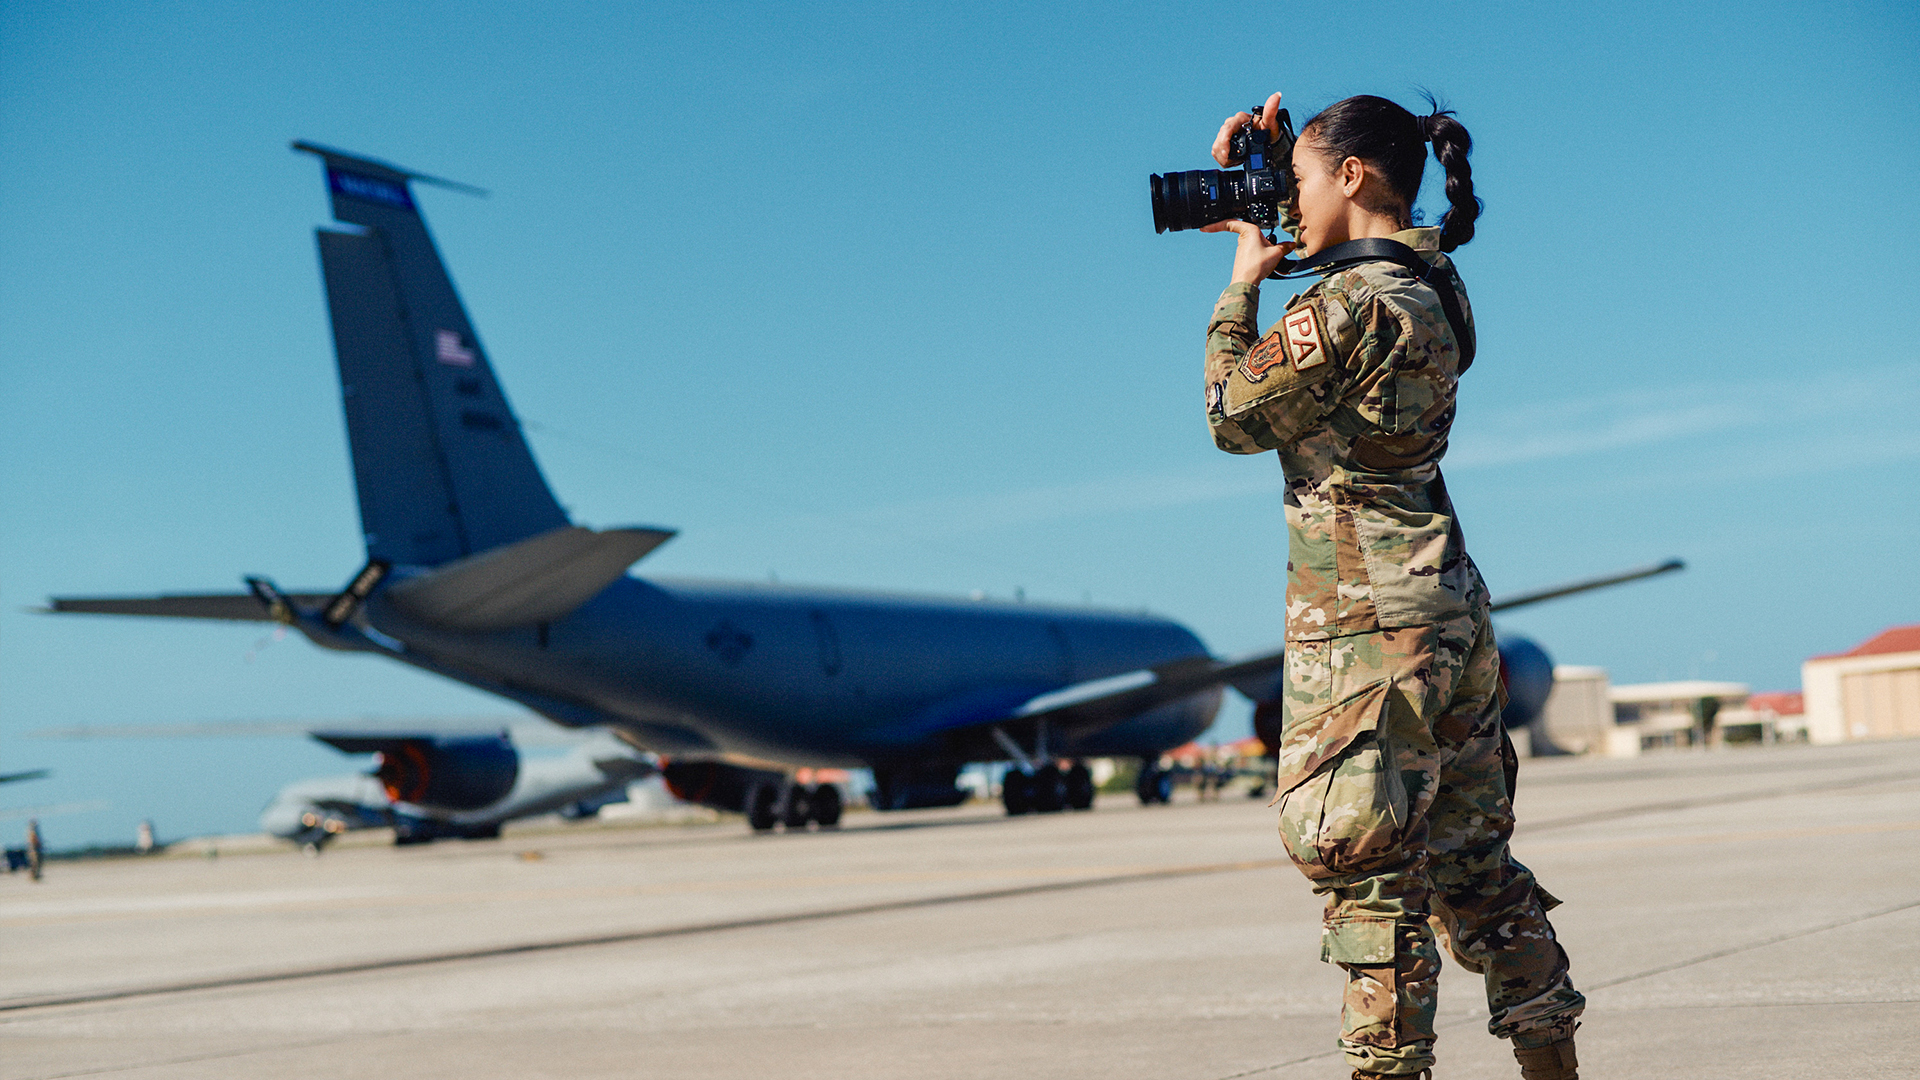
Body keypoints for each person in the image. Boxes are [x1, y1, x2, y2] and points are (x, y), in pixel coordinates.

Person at [1198, 92, 1585, 1079]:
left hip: (1365, 625)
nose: (1289, 204)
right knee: (1477, 870)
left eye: (1298, 184)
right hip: (1447, 607)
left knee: (1367, 876)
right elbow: (1357, 252)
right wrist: (1279, 168)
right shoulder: (1433, 286)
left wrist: (1240, 287)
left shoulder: (1346, 306)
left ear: (1353, 174)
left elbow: (1232, 414)